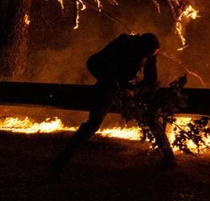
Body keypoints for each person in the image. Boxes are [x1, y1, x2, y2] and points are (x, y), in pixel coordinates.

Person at [49, 32, 175, 178]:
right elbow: (92, 62)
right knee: (92, 125)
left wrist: (136, 90)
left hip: (127, 92)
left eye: (151, 55)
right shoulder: (121, 46)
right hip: (107, 90)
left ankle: (170, 159)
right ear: (140, 48)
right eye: (147, 54)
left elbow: (151, 79)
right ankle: (59, 164)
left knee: (151, 119)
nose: (149, 57)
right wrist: (112, 82)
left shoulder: (151, 53)